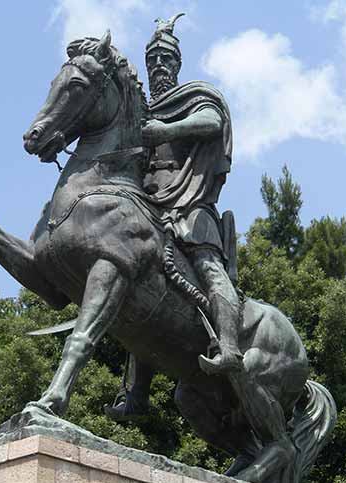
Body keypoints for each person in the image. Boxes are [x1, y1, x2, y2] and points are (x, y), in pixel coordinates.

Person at [106, 13, 242, 422]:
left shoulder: (192, 97)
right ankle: (136, 393)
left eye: (166, 59)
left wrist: (165, 130)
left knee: (208, 266)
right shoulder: (139, 109)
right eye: (153, 60)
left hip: (188, 205)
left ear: (177, 63)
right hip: (146, 204)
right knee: (131, 283)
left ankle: (229, 346)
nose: (159, 66)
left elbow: (212, 122)